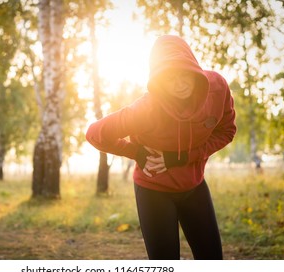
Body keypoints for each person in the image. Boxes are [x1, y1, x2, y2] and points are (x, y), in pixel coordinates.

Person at [86, 35, 236, 260]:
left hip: (194, 186)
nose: (180, 83)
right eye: (170, 77)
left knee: (212, 259)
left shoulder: (217, 89)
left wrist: (182, 157)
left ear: (195, 69)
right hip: (153, 190)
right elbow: (94, 133)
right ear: (158, 81)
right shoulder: (146, 109)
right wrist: (135, 152)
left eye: (185, 74)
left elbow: (227, 131)